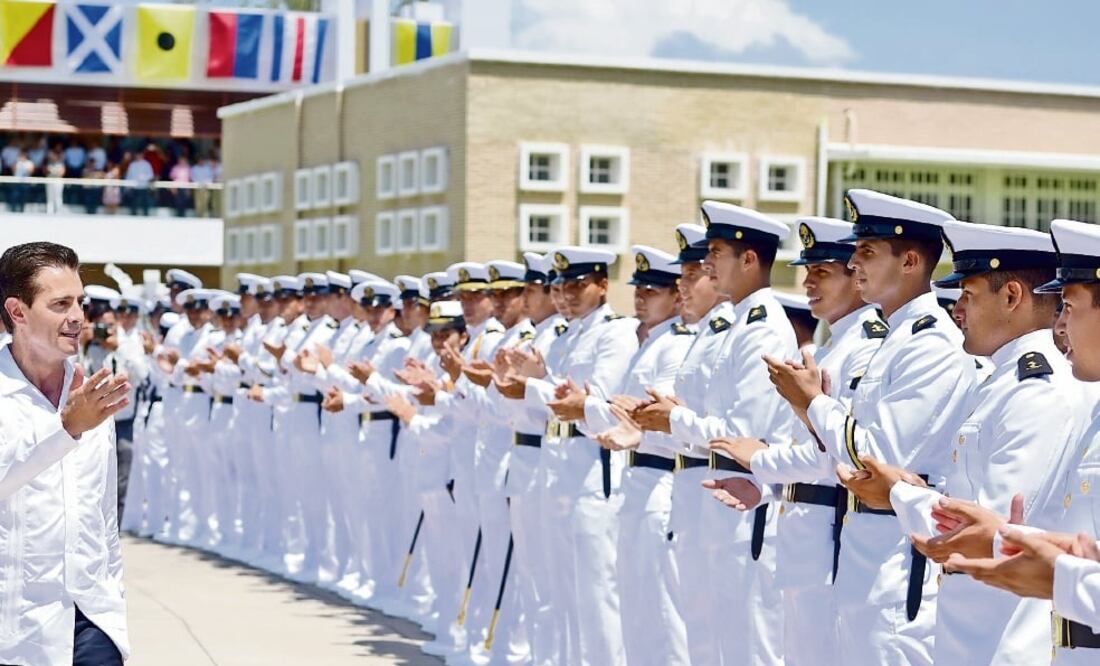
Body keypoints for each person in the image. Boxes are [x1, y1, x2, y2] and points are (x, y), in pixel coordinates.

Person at [765, 189, 977, 666]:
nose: (853, 263)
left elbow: (876, 455)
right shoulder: (895, 337)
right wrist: (812, 409)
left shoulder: (930, 343)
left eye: (867, 251)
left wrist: (812, 403)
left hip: (897, 558)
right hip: (864, 549)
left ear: (910, 262)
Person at [704, 216, 887, 666]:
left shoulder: (867, 346)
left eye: (822, 272)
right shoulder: (831, 347)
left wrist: (762, 461)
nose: (807, 283)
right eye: (807, 272)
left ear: (855, 276)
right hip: (804, 535)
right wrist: (764, 486)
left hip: (832, 536)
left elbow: (840, 453)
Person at [0, 241, 131, 666]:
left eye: (80, 302)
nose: (77, 316)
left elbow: (104, 516)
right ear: (18, 312)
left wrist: (114, 603)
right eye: (60, 304)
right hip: (17, 626)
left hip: (92, 620)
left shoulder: (91, 393)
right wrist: (66, 428)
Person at [45, 148, 66, 214]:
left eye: (54, 155)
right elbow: (46, 171)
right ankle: (49, 212)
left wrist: (53, 171)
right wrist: (54, 171)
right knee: (50, 198)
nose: (53, 157)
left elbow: (62, 173)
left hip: (58, 181)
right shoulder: (49, 164)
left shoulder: (61, 164)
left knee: (58, 197)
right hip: (50, 180)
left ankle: (58, 212)